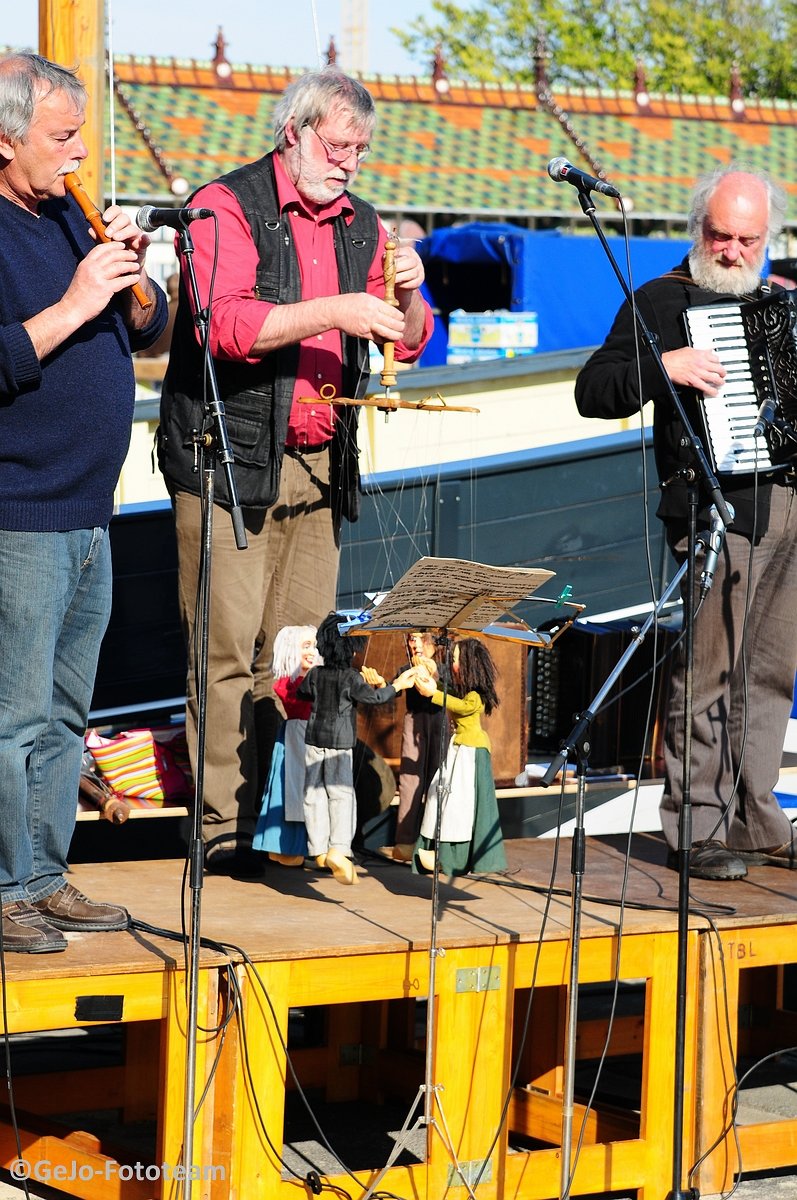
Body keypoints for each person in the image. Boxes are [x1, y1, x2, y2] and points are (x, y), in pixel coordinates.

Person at [158, 68, 433, 876]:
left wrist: (409, 299)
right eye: (339, 144)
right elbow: (224, 324)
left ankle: (282, 822)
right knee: (225, 652)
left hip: (317, 463)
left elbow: (405, 341)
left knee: (301, 656)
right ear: (294, 131)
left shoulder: (364, 223)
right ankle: (217, 830)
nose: (350, 161)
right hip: (229, 459)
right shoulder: (222, 204)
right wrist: (335, 310)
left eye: (360, 149)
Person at [574, 165, 797, 882]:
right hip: (712, 511)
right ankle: (694, 826)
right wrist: (661, 364)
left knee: (768, 673)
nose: (733, 251)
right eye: (721, 236)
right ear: (697, 229)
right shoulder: (660, 302)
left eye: (748, 239)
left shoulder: (778, 302)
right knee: (706, 674)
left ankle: (755, 819)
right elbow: (593, 390)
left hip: (787, 506)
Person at [0, 53, 167, 951]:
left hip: (91, 507)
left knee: (68, 712)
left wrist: (138, 291)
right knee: (10, 714)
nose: (78, 157)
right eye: (61, 138)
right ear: (4, 138)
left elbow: (148, 329)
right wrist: (76, 300)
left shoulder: (67, 211)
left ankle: (44, 874)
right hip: (17, 509)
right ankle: (3, 890)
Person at [297, 613, 417, 884]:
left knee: (313, 795)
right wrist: (397, 685)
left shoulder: (316, 674)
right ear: (351, 647)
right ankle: (338, 849)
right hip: (339, 744)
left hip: (314, 740)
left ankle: (317, 848)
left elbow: (302, 693)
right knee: (340, 795)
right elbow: (374, 698)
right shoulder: (351, 678)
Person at [413, 637, 507, 877]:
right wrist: (433, 678)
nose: (452, 664)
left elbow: (463, 706)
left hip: (470, 751)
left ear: (468, 664)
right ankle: (440, 850)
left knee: (458, 804)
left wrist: (433, 692)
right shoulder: (465, 691)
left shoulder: (475, 696)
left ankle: (452, 857)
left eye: (454, 660)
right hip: (459, 747)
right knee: (439, 793)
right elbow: (452, 695)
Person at [252, 625, 318, 866]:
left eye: (314, 645)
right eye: (306, 646)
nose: (312, 651)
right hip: (297, 738)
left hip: (307, 736)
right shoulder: (289, 684)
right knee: (291, 793)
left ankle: (299, 846)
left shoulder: (309, 680)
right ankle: (288, 846)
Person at [392, 630, 449, 862]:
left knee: (439, 779)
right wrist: (380, 685)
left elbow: (456, 688)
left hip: (440, 718)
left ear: (433, 641)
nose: (413, 643)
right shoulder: (406, 669)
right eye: (410, 638)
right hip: (414, 719)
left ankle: (436, 843)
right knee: (410, 779)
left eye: (419, 638)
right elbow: (393, 687)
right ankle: (405, 841)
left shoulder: (445, 668)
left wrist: (435, 672)